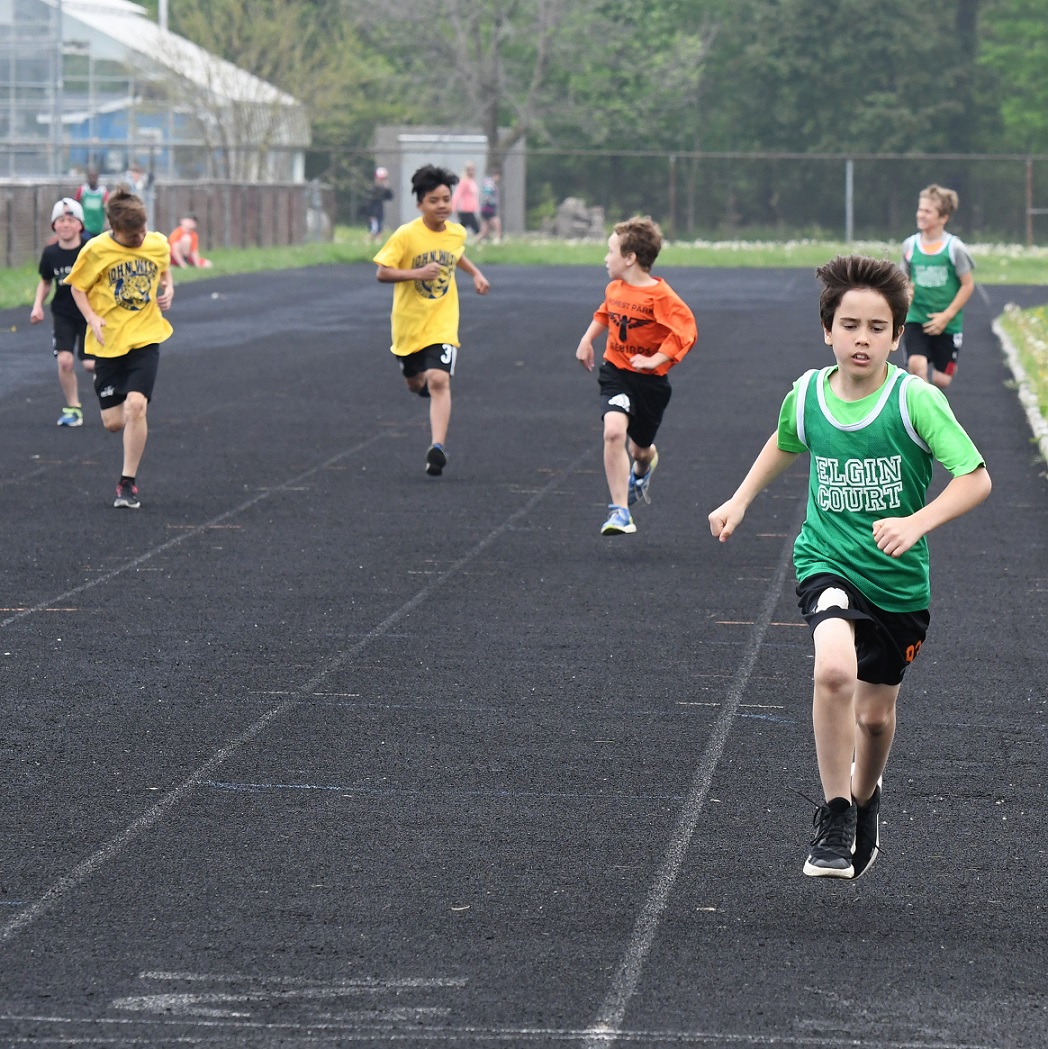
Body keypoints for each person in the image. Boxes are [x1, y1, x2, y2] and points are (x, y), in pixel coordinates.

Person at [708, 255, 991, 880]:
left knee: (875, 716)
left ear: (896, 336)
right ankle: (834, 813)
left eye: (877, 327)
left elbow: (975, 478)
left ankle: (866, 799)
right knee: (833, 671)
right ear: (827, 330)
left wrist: (916, 523)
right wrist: (740, 499)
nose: (862, 338)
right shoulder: (808, 394)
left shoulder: (915, 401)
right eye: (850, 325)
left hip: (898, 584)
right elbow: (785, 441)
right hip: (826, 559)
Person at [575, 216, 697, 535]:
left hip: (651, 384)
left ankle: (644, 465)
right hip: (615, 373)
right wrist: (587, 340)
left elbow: (686, 331)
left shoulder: (661, 296)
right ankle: (620, 512)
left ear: (630, 258)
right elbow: (605, 313)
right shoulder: (614, 288)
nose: (606, 258)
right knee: (613, 431)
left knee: (639, 449)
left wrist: (656, 358)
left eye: (611, 251)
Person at [373, 163, 490, 477]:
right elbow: (382, 272)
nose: (442, 206)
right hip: (408, 324)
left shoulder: (457, 232)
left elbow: (455, 253)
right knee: (416, 383)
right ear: (420, 204)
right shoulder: (406, 235)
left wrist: (476, 273)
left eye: (446, 199)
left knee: (439, 380)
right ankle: (417, 380)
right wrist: (416, 273)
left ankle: (437, 447)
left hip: (443, 320)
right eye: (434, 201)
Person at [66, 188, 174, 509]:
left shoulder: (157, 243)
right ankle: (126, 418)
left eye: (142, 232)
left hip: (145, 338)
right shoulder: (96, 250)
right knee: (113, 422)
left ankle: (127, 482)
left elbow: (165, 271)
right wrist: (91, 317)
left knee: (136, 406)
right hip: (108, 343)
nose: (140, 239)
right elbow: (77, 287)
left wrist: (168, 290)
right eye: (132, 237)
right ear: (115, 230)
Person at [900, 183, 975, 390]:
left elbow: (968, 286)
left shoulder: (954, 248)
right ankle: (922, 414)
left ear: (943, 218)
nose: (920, 214)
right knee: (917, 365)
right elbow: (903, 279)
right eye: (920, 209)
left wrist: (946, 316)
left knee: (942, 380)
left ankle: (942, 374)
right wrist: (906, 291)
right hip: (916, 317)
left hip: (947, 322)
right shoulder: (909, 245)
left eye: (927, 211)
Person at [30, 198, 95, 427]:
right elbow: (46, 281)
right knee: (65, 361)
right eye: (61, 221)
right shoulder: (50, 253)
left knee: (90, 364)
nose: (65, 225)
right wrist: (37, 305)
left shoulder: (90, 251)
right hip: (63, 313)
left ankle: (115, 387)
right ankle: (73, 409)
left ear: (80, 225)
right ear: (54, 226)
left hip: (90, 314)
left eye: (70, 220)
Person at [74, 169, 108, 237]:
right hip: (86, 227)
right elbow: (75, 205)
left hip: (99, 227)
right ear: (87, 178)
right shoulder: (82, 190)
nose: (93, 179)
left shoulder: (103, 192)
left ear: (98, 178)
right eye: (91, 177)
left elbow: (107, 207)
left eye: (94, 177)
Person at [364, 167, 394, 243]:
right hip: (373, 213)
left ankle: (377, 243)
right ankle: (367, 242)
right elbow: (369, 202)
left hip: (379, 212)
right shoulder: (373, 189)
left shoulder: (383, 189)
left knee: (379, 229)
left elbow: (390, 197)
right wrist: (370, 214)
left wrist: (387, 187)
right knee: (374, 230)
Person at [450, 161, 480, 238]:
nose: (471, 171)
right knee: (476, 229)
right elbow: (457, 195)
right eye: (469, 169)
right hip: (465, 209)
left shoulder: (472, 181)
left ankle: (453, 238)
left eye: (473, 169)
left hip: (471, 209)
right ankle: (480, 241)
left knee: (461, 228)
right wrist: (454, 207)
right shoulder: (464, 181)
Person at [478, 169, 501, 244]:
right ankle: (497, 238)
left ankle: (475, 241)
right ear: (496, 175)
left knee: (485, 230)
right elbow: (487, 195)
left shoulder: (487, 182)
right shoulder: (490, 184)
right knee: (497, 223)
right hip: (488, 208)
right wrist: (491, 202)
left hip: (484, 208)